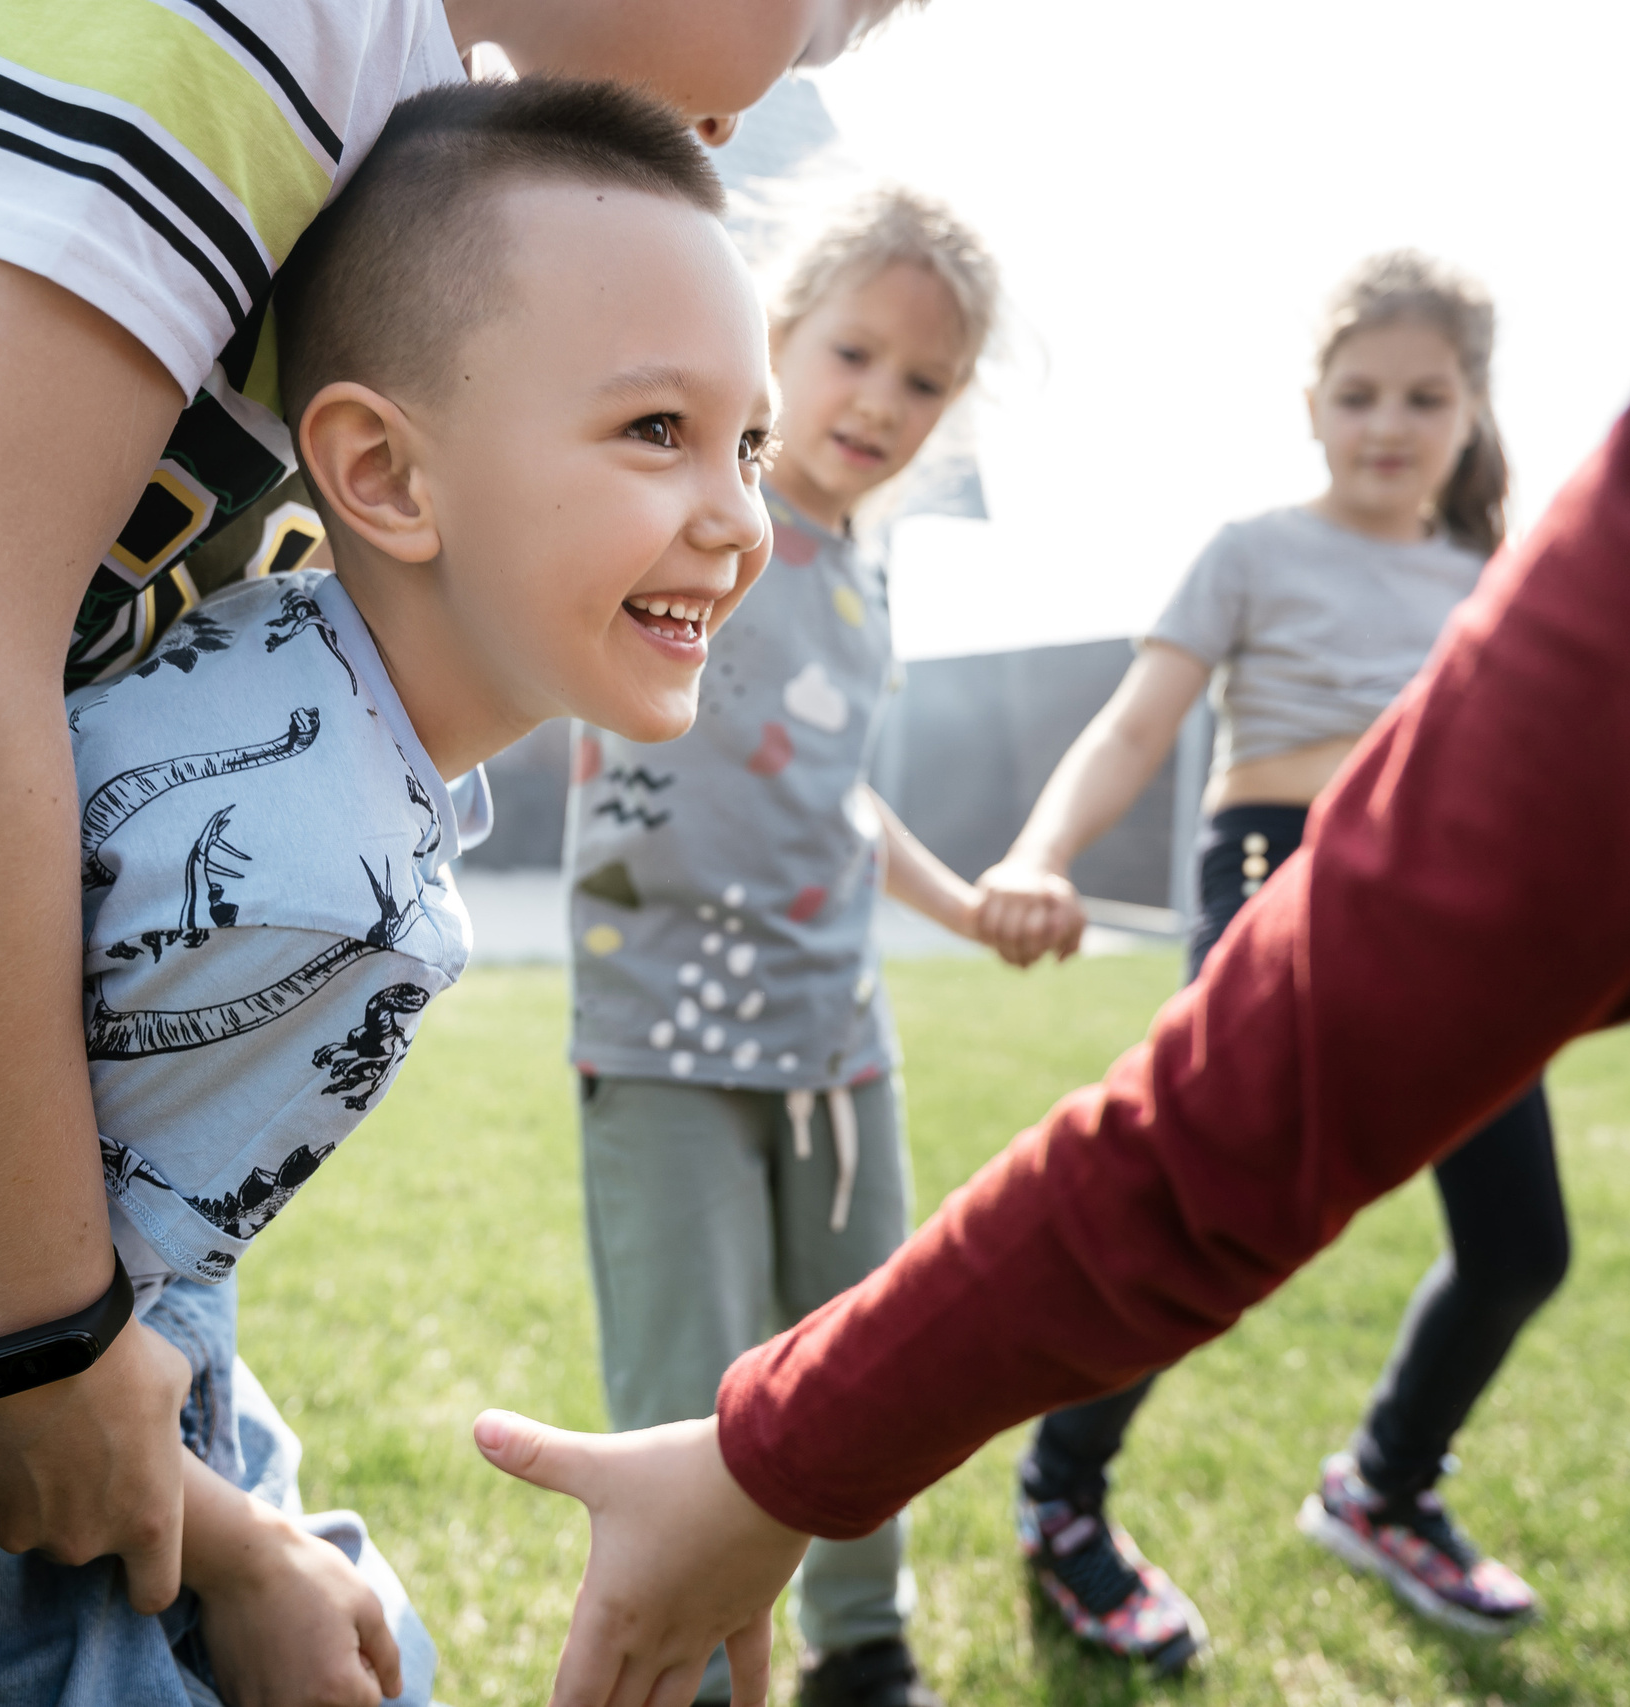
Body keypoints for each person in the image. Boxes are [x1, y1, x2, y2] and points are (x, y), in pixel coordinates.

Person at [473, 3, 1630, 1704]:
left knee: (1494, 1234)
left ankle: (954, 1616)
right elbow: (1136, 755)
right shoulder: (1151, 547)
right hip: (711, 1023)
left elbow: (875, 818)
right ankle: (1060, 1503)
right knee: (731, 1327)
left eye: (923, 378)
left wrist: (792, 1436)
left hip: (852, 1026)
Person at [0, 0, 900, 1695]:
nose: (820, 65)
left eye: (742, 444)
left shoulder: (387, 116)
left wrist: (205, 1494)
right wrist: (45, 1349)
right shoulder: (299, 24)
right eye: (843, 12)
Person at [0, 77, 775, 1705]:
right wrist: (244, 1557)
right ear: (384, 474)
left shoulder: (280, 647)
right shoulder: (324, 897)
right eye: (656, 430)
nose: (740, 517)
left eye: (747, 441)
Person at [974, 252, 1556, 1658]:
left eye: (1425, 396)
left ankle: (1388, 1488)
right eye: (1359, 393)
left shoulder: (1497, 576)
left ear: (1472, 410)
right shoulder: (1251, 549)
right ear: (1312, 405)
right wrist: (1038, 855)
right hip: (1271, 874)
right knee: (1199, 1217)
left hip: (1448, 911)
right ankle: (1063, 1498)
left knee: (1519, 1244)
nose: (1389, 423)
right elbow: (1132, 724)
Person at [562, 186, 1000, 1707]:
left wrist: (972, 906)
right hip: (660, 1037)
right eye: (853, 352)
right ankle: (680, 1667)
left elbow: (837, 796)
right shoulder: (694, 515)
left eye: (925, 379)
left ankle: (861, 1651)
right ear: (777, 337)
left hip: (838, 1043)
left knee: (863, 1373)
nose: (881, 400)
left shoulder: (871, 585)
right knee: (693, 1388)